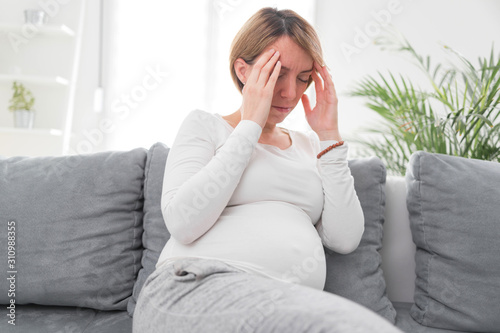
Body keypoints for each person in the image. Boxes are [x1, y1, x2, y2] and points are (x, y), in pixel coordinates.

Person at [133, 7, 402, 333]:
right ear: (244, 71)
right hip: (192, 286)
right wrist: (250, 126)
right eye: (278, 74)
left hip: (283, 302)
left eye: (303, 78)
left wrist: (328, 136)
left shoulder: (310, 148)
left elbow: (344, 239)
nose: (291, 92)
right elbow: (183, 222)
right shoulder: (206, 126)